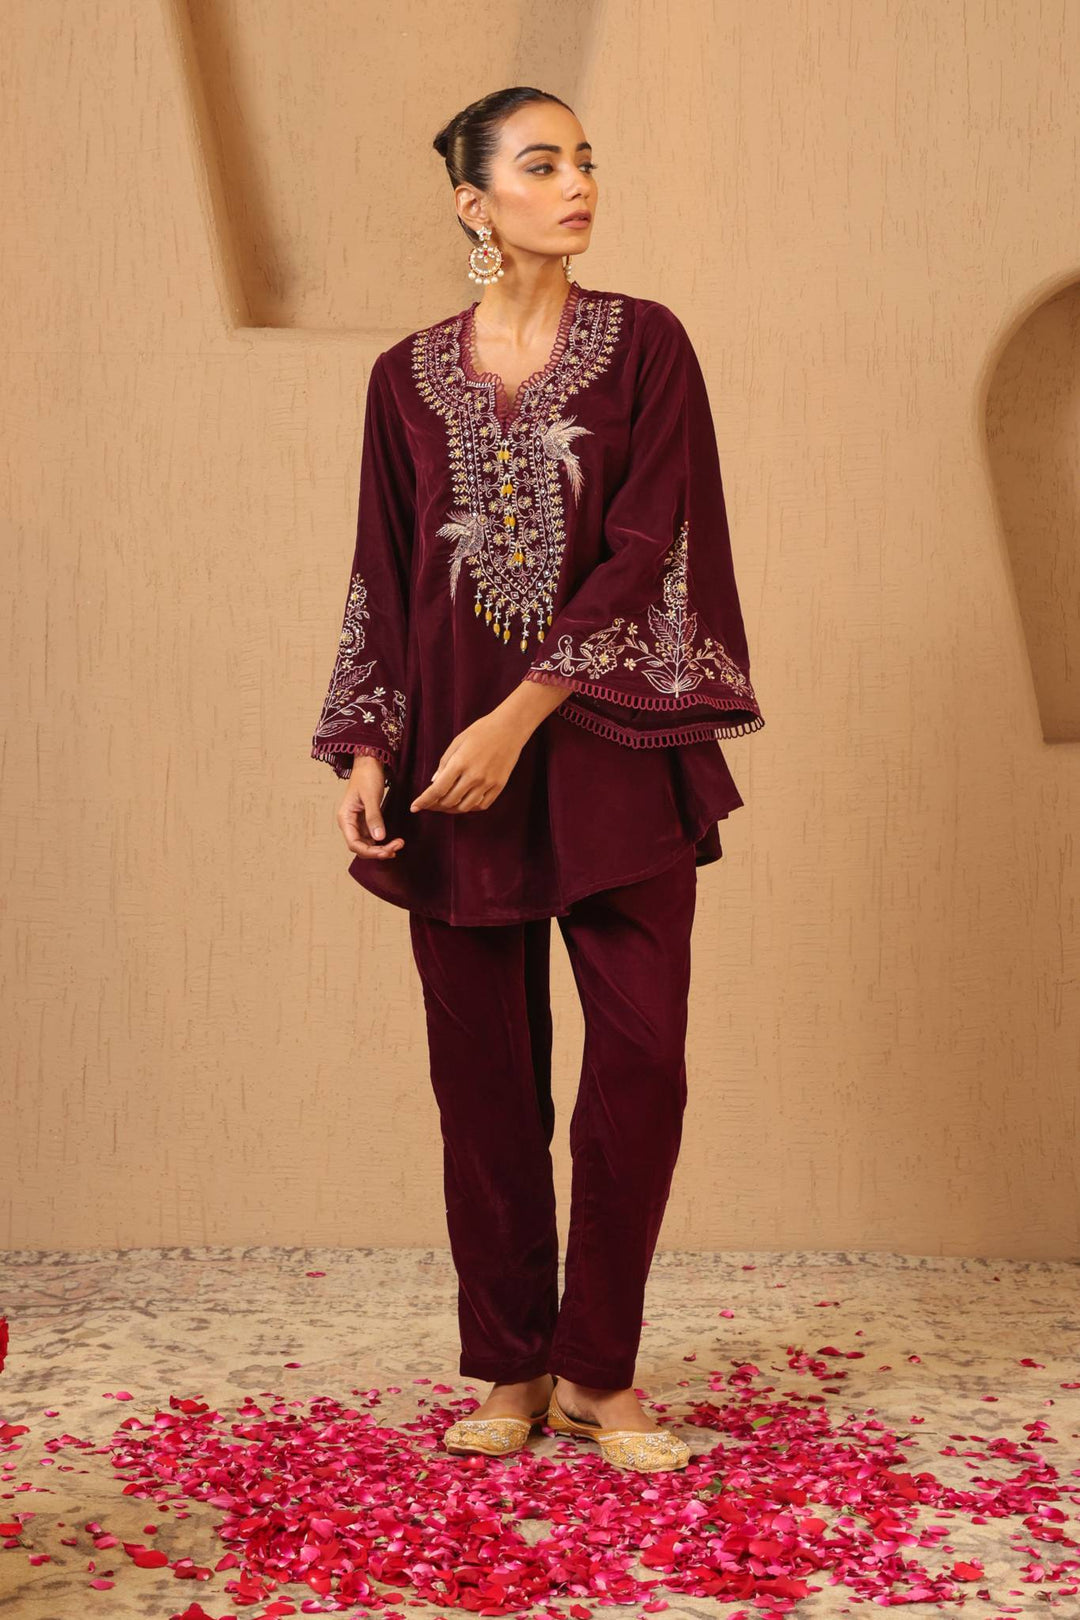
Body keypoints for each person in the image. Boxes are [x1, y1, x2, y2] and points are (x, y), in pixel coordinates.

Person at [310, 87, 764, 1472]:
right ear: (474, 201)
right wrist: (369, 743)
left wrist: (518, 718)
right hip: (450, 768)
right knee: (485, 1081)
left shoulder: (647, 345)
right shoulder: (404, 377)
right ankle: (512, 1366)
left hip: (614, 751)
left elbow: (649, 545)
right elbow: (384, 567)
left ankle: (598, 1372)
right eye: (543, 164)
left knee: (641, 1066)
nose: (577, 185)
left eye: (586, 162)